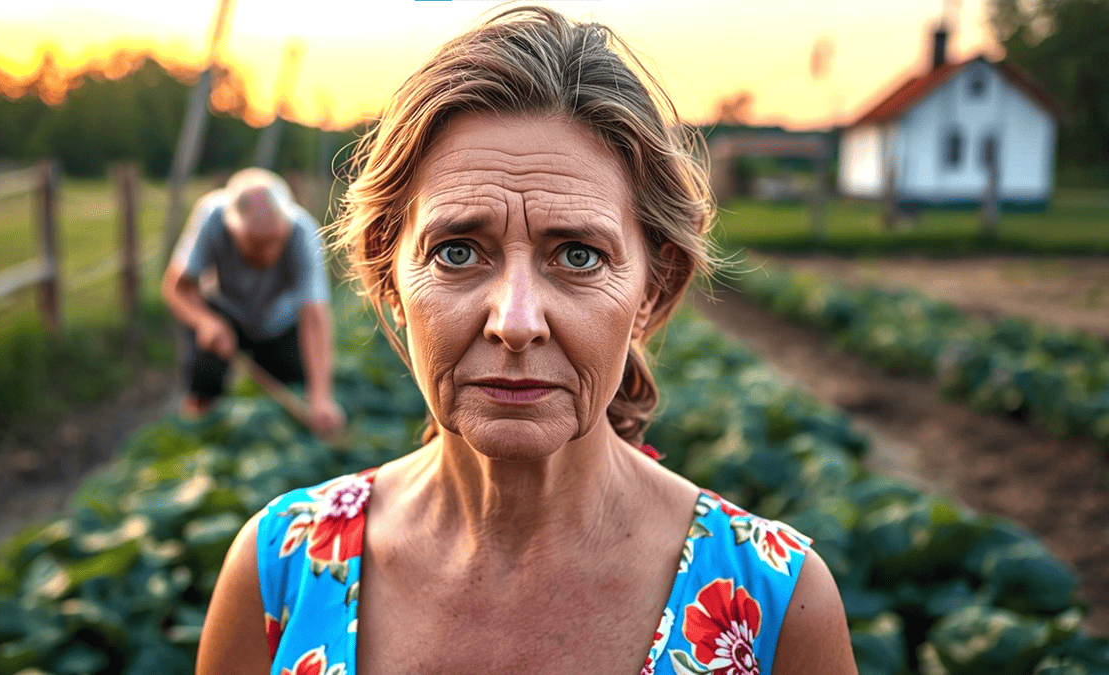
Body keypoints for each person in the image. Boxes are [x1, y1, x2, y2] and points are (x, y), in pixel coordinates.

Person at [197, 7, 856, 675]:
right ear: (387, 277)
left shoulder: (778, 604)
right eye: (457, 251)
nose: (514, 321)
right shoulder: (279, 569)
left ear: (654, 289)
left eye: (578, 256)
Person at [161, 168, 345, 438]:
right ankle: (195, 433)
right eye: (256, 244)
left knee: (295, 383)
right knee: (204, 376)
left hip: (279, 321)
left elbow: (314, 315)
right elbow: (176, 287)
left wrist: (320, 397)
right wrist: (206, 322)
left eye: (275, 242)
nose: (269, 253)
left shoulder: (304, 232)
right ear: (233, 230)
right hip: (227, 314)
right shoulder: (212, 216)